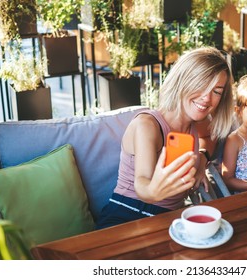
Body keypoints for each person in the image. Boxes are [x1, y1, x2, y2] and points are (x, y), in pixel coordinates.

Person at [96, 47, 234, 229]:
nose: (207, 98)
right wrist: (154, 190)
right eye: (201, 85)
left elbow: (212, 136)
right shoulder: (148, 125)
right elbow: (142, 183)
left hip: (170, 219)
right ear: (183, 81)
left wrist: (202, 158)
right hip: (127, 214)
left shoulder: (196, 122)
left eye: (216, 91)